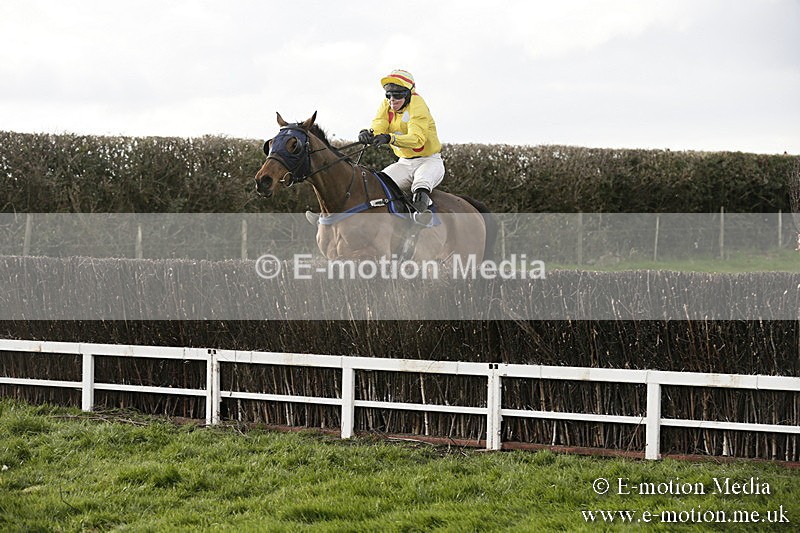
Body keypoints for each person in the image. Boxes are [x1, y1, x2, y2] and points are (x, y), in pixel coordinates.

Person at [358, 69, 443, 225]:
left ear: (409, 94)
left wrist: (390, 138)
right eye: (389, 95)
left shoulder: (418, 105)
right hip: (404, 163)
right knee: (376, 185)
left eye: (397, 95)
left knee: (421, 184)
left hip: (429, 161)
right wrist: (369, 133)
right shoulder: (386, 104)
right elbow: (379, 123)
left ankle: (425, 219)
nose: (392, 100)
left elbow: (417, 139)